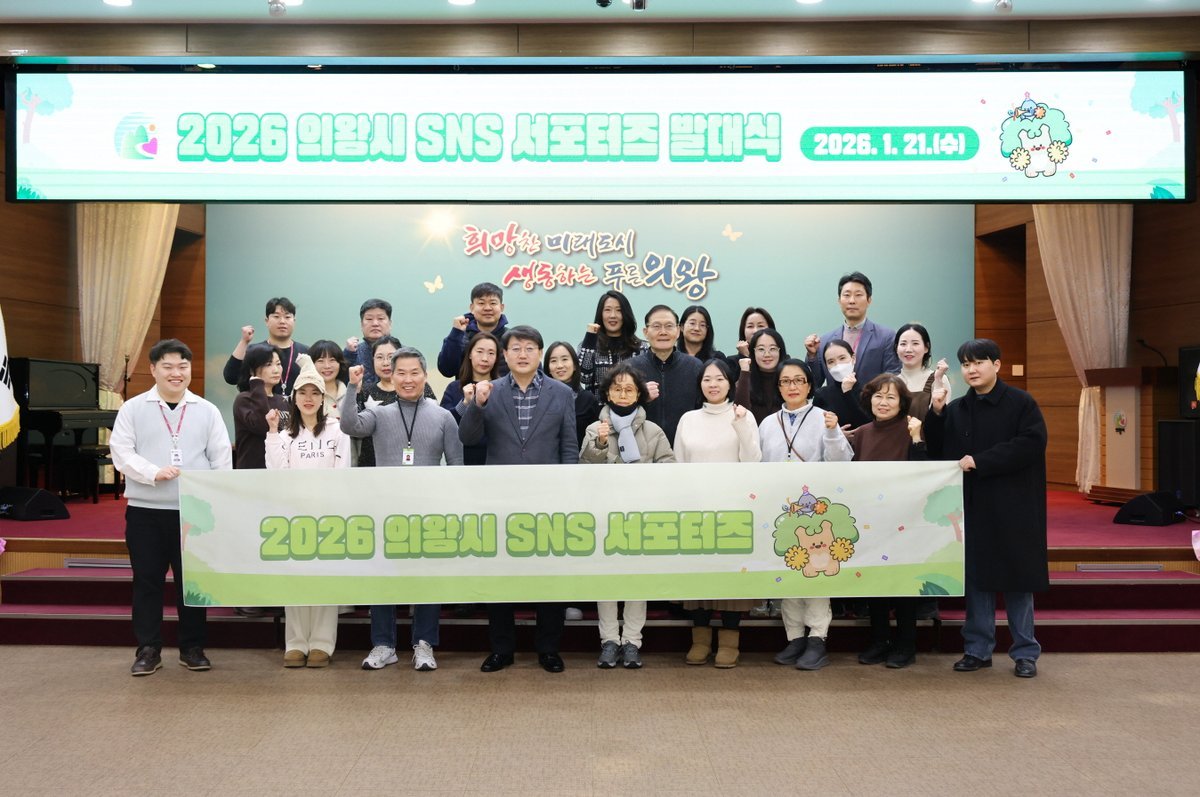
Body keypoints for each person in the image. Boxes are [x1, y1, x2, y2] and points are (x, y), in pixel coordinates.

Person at [924, 339, 1048, 679]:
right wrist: (936, 413)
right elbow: (938, 451)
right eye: (966, 364)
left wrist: (982, 461)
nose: (972, 369)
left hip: (1014, 505)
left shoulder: (1021, 403)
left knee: (1017, 580)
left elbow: (1031, 443)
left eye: (979, 362)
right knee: (978, 579)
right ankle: (977, 650)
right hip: (974, 505)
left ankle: (1025, 652)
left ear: (996, 365)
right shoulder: (958, 408)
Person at [458, 325, 579, 673]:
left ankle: (548, 649)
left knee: (550, 574)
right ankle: (502, 649)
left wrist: (568, 492)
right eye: (515, 348)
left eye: (529, 348)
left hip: (549, 497)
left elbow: (568, 445)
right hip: (501, 497)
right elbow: (468, 437)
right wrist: (477, 404)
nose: (522, 354)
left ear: (539, 354)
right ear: (505, 355)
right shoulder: (489, 390)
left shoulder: (561, 393)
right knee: (500, 574)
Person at [110, 339, 232, 676]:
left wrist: (216, 500)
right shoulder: (133, 408)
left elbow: (221, 459)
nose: (176, 373)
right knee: (147, 581)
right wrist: (153, 472)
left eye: (182, 366)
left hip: (193, 512)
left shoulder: (206, 410)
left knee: (192, 583)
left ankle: (192, 647)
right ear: (153, 370)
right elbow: (121, 451)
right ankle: (148, 649)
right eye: (168, 366)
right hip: (146, 511)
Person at [340, 347, 465, 673]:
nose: (408, 379)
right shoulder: (379, 414)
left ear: (425, 376)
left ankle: (424, 644)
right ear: (391, 376)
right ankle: (384, 644)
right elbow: (349, 426)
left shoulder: (443, 417)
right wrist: (352, 387)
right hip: (387, 513)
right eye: (401, 373)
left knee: (427, 580)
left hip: (430, 515)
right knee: (383, 578)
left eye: (414, 373)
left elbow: (457, 466)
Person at [759, 358, 853, 671]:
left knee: (817, 572)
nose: (792, 386)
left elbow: (841, 462)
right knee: (788, 571)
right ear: (778, 387)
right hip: (780, 512)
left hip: (816, 513)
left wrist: (832, 431)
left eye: (799, 380)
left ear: (809, 385)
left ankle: (817, 639)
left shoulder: (823, 418)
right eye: (785, 381)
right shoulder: (768, 423)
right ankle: (795, 637)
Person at [580, 363, 675, 669]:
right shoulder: (595, 429)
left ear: (639, 394)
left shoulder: (653, 431)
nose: (623, 394)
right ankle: (609, 641)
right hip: (604, 517)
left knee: (637, 580)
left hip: (641, 517)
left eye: (629, 389)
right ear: (607, 393)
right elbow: (583, 470)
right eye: (617, 389)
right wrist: (600, 445)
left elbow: (669, 469)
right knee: (606, 581)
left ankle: (632, 641)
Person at [265, 354, 352, 668]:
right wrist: (271, 431)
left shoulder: (338, 431)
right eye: (303, 392)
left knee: (324, 580)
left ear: (323, 398)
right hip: (294, 518)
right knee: (296, 580)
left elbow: (343, 473)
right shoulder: (285, 434)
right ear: (294, 397)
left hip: (327, 518)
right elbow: (276, 472)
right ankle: (296, 643)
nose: (309, 398)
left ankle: (321, 644)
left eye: (315, 392)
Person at [673, 358, 762, 668]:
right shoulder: (688, 419)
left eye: (720, 379)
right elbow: (678, 465)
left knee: (731, 578)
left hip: (733, 509)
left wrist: (740, 423)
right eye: (707, 379)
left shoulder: (743, 415)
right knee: (699, 577)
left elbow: (753, 461)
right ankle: (700, 640)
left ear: (731, 383)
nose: (713, 384)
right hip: (696, 510)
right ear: (700, 384)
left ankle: (729, 643)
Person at [845, 374, 928, 669]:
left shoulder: (912, 428)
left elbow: (923, 472)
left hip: (905, 519)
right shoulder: (862, 433)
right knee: (875, 581)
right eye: (878, 396)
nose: (883, 402)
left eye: (891, 397)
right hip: (871, 519)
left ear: (902, 402)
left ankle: (906, 645)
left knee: (903, 583)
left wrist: (917, 438)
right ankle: (880, 641)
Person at [805, 271, 899, 390]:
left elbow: (893, 376)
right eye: (847, 295)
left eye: (858, 295)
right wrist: (812, 355)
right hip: (835, 402)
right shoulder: (825, 341)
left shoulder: (887, 336)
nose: (852, 301)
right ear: (839, 301)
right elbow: (815, 383)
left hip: (871, 401)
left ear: (869, 300)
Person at [629, 305, 703, 446]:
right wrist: (639, 397)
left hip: (685, 448)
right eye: (656, 326)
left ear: (678, 331)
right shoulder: (629, 369)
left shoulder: (695, 367)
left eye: (669, 326)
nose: (663, 332)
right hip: (642, 450)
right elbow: (617, 411)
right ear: (645, 332)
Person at [221, 297, 309, 395]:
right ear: (267, 321)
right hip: (259, 404)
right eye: (276, 316)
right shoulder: (255, 351)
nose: (282, 321)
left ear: (294, 320)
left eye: (287, 317)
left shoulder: (306, 352)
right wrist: (244, 342)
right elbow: (231, 377)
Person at [441, 331, 500, 466]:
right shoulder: (454, 388)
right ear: (469, 354)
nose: (485, 358)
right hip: (461, 460)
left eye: (491, 353)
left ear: (497, 358)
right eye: (479, 352)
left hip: (495, 461)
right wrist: (465, 403)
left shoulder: (502, 388)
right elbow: (444, 424)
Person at [578, 290, 648, 397]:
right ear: (600, 314)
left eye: (619, 310)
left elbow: (644, 383)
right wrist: (590, 338)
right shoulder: (589, 346)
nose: (613, 315)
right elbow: (584, 378)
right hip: (597, 407)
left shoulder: (641, 348)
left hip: (632, 407)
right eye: (607, 310)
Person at [232, 343, 288, 469]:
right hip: (252, 472)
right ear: (252, 370)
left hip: (280, 471)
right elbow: (263, 426)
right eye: (268, 364)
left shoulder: (283, 401)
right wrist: (257, 384)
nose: (276, 370)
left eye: (278, 364)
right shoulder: (244, 399)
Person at [437, 281, 510, 378]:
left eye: (493, 303)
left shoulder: (511, 339)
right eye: (481, 303)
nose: (487, 308)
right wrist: (456, 333)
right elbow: (447, 370)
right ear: (472, 308)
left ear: (501, 307)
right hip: (466, 388)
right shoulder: (459, 337)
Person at [544, 341, 601, 450]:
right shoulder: (540, 399)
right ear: (548, 368)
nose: (559, 366)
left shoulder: (588, 399)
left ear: (575, 365)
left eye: (565, 359)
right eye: (553, 361)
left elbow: (595, 442)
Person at [354, 335, 400, 467]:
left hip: (405, 462)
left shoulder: (415, 389)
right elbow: (354, 427)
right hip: (371, 463)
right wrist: (354, 392)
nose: (385, 363)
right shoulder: (364, 390)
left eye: (391, 357)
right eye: (379, 357)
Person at [894, 322, 951, 422]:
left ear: (926, 347)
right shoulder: (891, 382)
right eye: (903, 344)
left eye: (915, 343)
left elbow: (941, 420)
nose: (908, 349)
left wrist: (938, 381)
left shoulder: (939, 379)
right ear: (896, 348)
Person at [812, 339, 871, 430]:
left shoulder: (869, 390)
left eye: (842, 358)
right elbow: (815, 428)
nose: (838, 365)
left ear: (853, 358)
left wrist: (847, 393)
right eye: (831, 362)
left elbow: (869, 424)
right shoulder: (821, 394)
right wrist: (837, 434)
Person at [734, 327, 788, 425]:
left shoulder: (789, 380)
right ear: (753, 352)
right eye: (761, 349)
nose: (767, 354)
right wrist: (744, 372)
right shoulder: (744, 381)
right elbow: (740, 415)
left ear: (780, 351)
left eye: (772, 349)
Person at [725, 306, 776, 380]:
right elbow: (738, 386)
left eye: (760, 326)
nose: (755, 331)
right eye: (750, 326)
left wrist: (748, 356)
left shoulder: (780, 359)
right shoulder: (732, 362)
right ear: (743, 331)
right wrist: (745, 357)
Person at [307, 339, 348, 421]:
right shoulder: (304, 395)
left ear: (340, 363)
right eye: (320, 361)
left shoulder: (350, 392)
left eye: (332, 360)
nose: (327, 366)